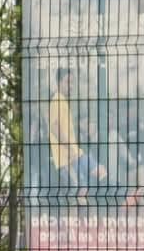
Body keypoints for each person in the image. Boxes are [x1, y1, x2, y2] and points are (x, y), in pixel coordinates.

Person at [46, 68, 107, 202]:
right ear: (59, 82)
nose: (71, 86)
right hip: (66, 159)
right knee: (80, 191)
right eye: (68, 82)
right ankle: (78, 220)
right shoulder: (56, 100)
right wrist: (70, 150)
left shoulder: (62, 101)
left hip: (76, 154)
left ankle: (120, 203)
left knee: (101, 173)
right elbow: (54, 128)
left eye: (72, 82)